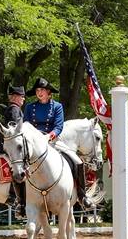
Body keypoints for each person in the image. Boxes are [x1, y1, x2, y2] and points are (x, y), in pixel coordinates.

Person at [23, 77, 88, 207]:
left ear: (48, 92)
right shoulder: (30, 107)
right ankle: (20, 200)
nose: (39, 92)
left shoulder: (57, 107)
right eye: (37, 90)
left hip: (52, 140)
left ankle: (82, 195)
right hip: (34, 143)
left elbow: (58, 126)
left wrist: (49, 136)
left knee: (77, 161)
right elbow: (26, 124)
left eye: (42, 90)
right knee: (19, 163)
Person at [0, 85, 27, 217]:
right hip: (12, 146)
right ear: (15, 97)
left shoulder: (14, 109)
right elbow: (15, 131)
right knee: (18, 168)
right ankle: (16, 199)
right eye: (22, 97)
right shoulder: (14, 110)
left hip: (11, 144)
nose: (23, 99)